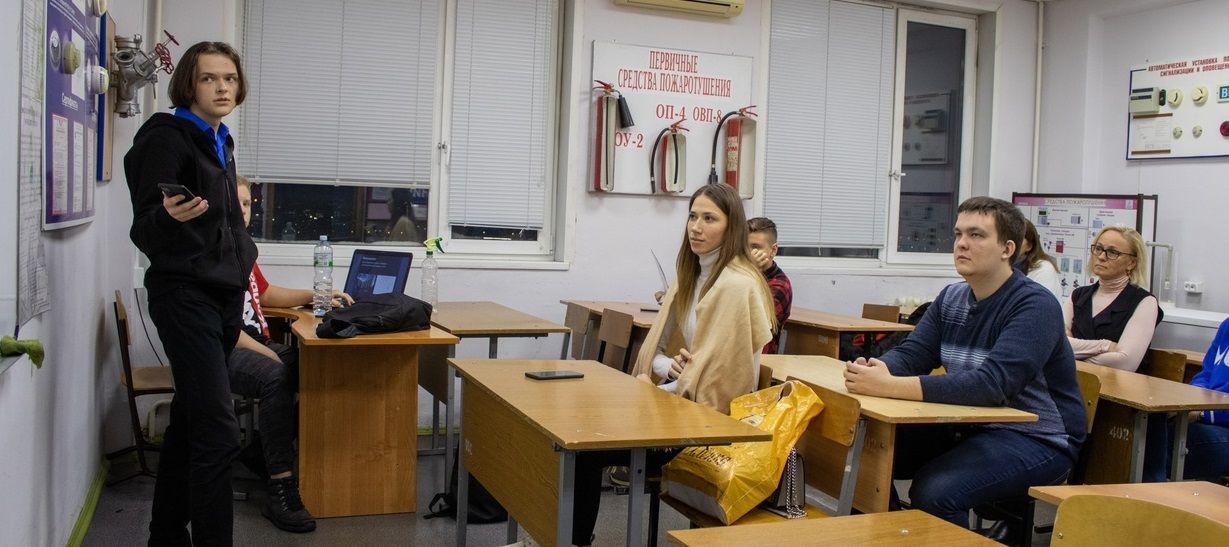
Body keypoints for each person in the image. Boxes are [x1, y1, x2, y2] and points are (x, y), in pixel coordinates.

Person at [843, 196, 1086, 534]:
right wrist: (877, 369)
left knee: (935, 491)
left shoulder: (1035, 306)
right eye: (958, 234)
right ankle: (897, 537)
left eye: (976, 235)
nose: (961, 244)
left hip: (1039, 439)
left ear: (1007, 249)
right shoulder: (951, 297)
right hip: (972, 424)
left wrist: (890, 386)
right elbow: (913, 354)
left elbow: (992, 385)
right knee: (861, 457)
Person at [571, 184, 775, 546]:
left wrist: (683, 376)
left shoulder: (738, 285)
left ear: (731, 227)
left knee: (586, 450)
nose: (696, 227)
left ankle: (575, 541)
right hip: (679, 404)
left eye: (709, 218)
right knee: (579, 433)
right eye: (692, 216)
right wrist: (671, 369)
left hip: (710, 425)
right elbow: (655, 354)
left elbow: (726, 382)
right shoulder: (689, 274)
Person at [125, 41, 257, 547]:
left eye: (229, 78)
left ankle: (164, 535)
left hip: (222, 297)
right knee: (218, 434)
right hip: (184, 296)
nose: (222, 87)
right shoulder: (166, 137)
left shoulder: (219, 139)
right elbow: (143, 229)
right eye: (209, 78)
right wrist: (166, 216)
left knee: (187, 423)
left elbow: (226, 226)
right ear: (188, 84)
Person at [230, 177, 352, 532]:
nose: (243, 210)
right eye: (235, 202)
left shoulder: (242, 248)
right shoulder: (213, 251)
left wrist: (317, 296)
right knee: (276, 375)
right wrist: (268, 354)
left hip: (255, 342)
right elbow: (222, 328)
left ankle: (261, 452)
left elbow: (266, 293)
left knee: (320, 369)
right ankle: (280, 487)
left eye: (247, 203)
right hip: (226, 349)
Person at [1064, 225, 1161, 372]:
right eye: (1098, 249)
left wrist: (1071, 355)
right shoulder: (1077, 295)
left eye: (1112, 252)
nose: (1101, 257)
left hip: (1117, 385)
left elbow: (1125, 363)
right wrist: (1105, 346)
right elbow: (1054, 344)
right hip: (1071, 382)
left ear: (1132, 263)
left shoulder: (1145, 302)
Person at [1170, 317, 1229, 481]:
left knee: (1159, 441)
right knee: (1153, 428)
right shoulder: (1227, 325)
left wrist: (1202, 412)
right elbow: (1205, 374)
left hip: (1218, 424)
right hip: (1209, 418)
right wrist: (1192, 401)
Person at [748, 217, 792, 355]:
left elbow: (755, 322)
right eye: (744, 247)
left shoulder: (780, 285)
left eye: (755, 247)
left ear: (773, 250)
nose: (749, 253)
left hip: (759, 358)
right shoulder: (740, 274)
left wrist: (751, 272)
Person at [1017, 219, 1062, 301]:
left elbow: (1037, 304)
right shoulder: (1005, 267)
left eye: (1017, 238)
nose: (1010, 243)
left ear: (1029, 246)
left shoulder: (1044, 269)